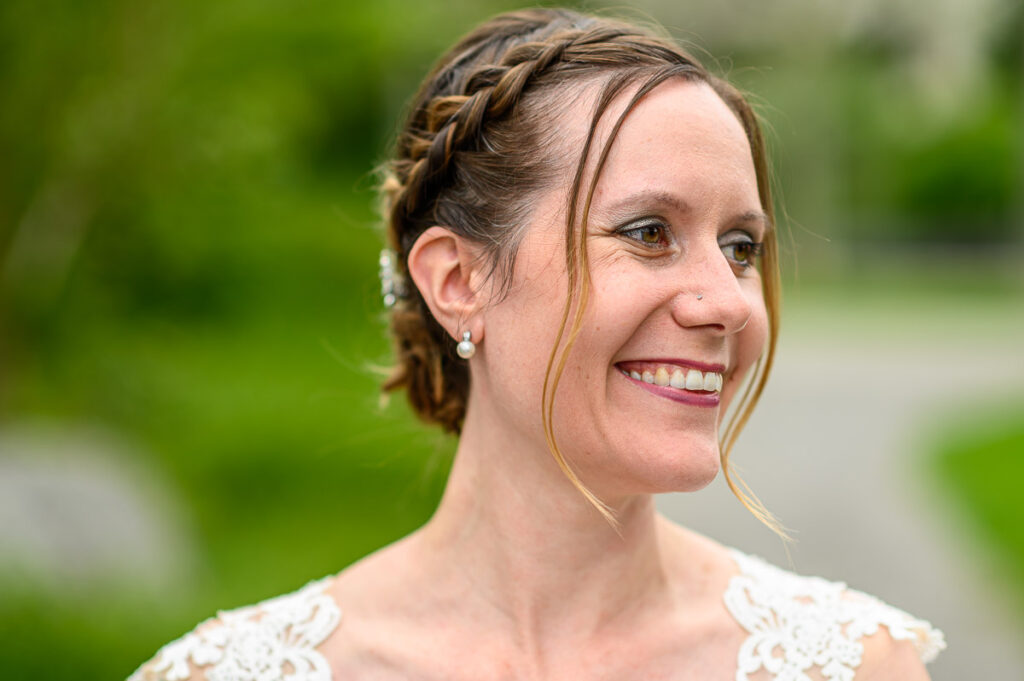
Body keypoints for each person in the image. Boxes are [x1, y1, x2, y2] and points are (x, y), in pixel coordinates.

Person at [129, 8, 945, 680]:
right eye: (649, 232)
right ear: (457, 280)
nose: (728, 303)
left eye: (741, 246)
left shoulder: (851, 664)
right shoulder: (226, 673)